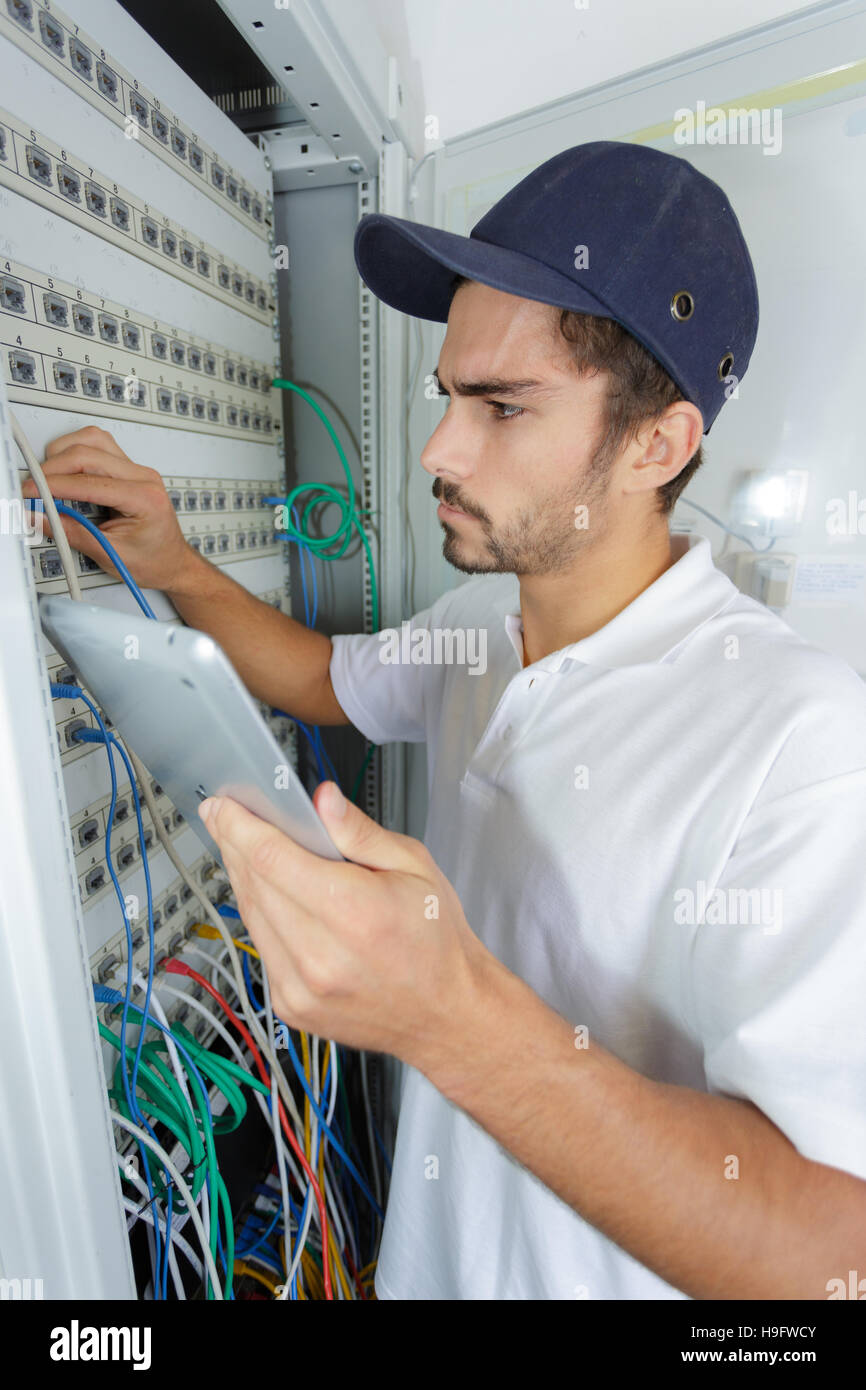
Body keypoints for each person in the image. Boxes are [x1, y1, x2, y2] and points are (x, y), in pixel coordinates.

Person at [25, 142, 866, 1301]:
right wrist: (172, 562)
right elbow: (324, 678)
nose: (438, 449)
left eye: (500, 407)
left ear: (656, 444)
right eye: (446, 394)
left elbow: (828, 1259)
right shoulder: (483, 621)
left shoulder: (801, 742)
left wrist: (447, 1016)